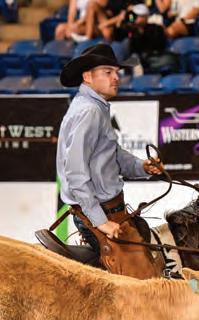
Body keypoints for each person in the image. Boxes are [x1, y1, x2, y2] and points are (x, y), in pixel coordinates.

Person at [57, 44, 165, 279]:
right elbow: (75, 172)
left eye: (116, 72)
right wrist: (101, 222)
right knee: (142, 281)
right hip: (100, 213)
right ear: (87, 77)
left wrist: (141, 166)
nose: (116, 77)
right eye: (108, 72)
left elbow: (111, 154)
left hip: (109, 210)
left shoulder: (94, 107)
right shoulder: (90, 112)